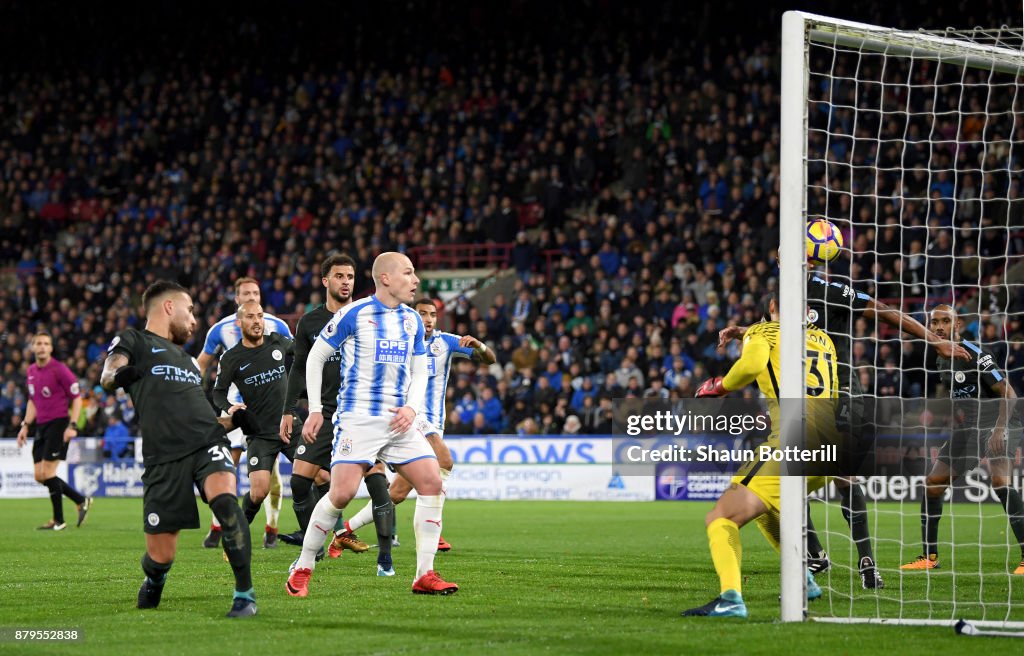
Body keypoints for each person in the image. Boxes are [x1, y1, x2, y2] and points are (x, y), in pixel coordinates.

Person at [718, 258, 970, 588]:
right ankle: (814, 556)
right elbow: (772, 331)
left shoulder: (831, 290)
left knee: (843, 474)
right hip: (800, 397)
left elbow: (884, 311)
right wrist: (744, 331)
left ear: (813, 257)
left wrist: (933, 340)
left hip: (843, 391)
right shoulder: (777, 298)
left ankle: (867, 563)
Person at [285, 252, 457, 596]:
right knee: (342, 493)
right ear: (386, 279)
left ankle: (424, 574)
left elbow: (422, 367)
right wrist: (316, 409)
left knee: (432, 482)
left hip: (398, 419)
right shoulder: (354, 314)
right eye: (408, 273)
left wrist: (411, 406)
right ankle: (303, 565)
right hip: (358, 418)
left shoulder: (411, 320)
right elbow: (316, 357)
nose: (416, 280)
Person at [100, 280, 257, 617]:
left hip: (207, 444)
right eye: (190, 311)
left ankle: (245, 595)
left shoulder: (187, 361)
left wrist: (237, 420)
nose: (194, 320)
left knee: (227, 503)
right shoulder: (136, 340)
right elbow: (108, 374)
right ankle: (156, 579)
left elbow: (204, 419)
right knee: (161, 556)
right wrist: (121, 375)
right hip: (163, 458)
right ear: (169, 307)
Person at [682, 294, 834, 618]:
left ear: (771, 309)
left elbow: (750, 366)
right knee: (766, 509)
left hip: (794, 443)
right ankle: (803, 579)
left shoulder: (764, 332)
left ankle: (730, 599)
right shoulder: (825, 340)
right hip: (831, 451)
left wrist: (718, 386)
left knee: (720, 518)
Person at [342, 297, 496, 560]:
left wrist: (479, 344)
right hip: (412, 417)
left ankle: (345, 531)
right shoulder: (400, 340)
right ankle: (434, 531)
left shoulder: (444, 341)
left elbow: (490, 360)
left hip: (435, 422)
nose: (428, 319)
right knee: (445, 460)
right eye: (423, 313)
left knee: (398, 493)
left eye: (432, 315)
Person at [900, 305, 1024, 574]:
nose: (940, 326)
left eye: (946, 321)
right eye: (935, 322)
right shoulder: (940, 355)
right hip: (969, 426)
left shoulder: (974, 353)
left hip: (1000, 419)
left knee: (1000, 481)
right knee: (933, 484)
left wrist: (999, 430)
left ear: (957, 325)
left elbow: (1009, 393)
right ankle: (929, 556)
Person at [277, 253, 377, 561]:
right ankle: (316, 546)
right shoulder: (310, 322)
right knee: (300, 479)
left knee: (377, 480)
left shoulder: (363, 316)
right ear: (326, 281)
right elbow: (298, 368)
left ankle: (385, 555)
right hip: (323, 414)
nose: (346, 282)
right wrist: (289, 410)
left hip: (359, 413)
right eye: (339, 276)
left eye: (350, 277)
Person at [198, 277, 293, 549]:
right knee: (226, 468)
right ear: (236, 299)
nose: (251, 296)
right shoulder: (220, 329)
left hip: (267, 411)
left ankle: (271, 528)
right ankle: (219, 526)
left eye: (255, 292)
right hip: (235, 412)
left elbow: (295, 356)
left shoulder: (277, 325)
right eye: (245, 293)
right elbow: (202, 364)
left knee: (269, 477)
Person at [16, 331, 91, 530]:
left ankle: (59, 520)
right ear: (32, 347)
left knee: (48, 472)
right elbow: (33, 400)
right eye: (38, 343)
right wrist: (25, 425)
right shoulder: (31, 371)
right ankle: (80, 500)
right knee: (39, 476)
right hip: (41, 425)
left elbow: (76, 399)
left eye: (45, 343)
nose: (41, 346)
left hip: (58, 424)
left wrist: (72, 425)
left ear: (50, 348)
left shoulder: (60, 370)